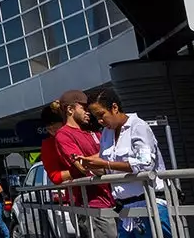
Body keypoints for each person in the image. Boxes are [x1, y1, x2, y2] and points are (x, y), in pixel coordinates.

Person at [75, 86, 170, 238]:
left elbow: (145, 164)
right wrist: (90, 166)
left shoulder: (138, 126)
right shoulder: (106, 133)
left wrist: (105, 164)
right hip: (125, 209)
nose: (100, 121)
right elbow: (109, 169)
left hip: (150, 203)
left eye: (101, 115)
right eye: (96, 117)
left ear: (114, 107)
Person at [55, 90, 116, 236]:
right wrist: (108, 157)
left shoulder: (93, 132)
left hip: (113, 198)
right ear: (70, 109)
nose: (89, 113)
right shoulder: (64, 134)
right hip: (91, 205)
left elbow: (113, 154)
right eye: (84, 108)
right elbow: (82, 165)